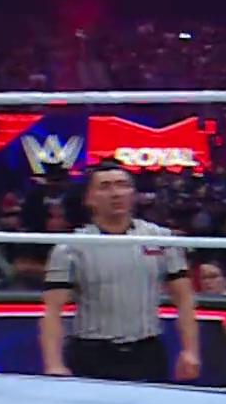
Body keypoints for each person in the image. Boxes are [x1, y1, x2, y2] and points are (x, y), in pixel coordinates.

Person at [41, 162, 201, 383]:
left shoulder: (161, 239)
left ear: (133, 194)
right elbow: (52, 310)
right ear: (89, 198)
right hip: (91, 353)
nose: (115, 193)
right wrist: (53, 364)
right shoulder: (70, 247)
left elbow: (184, 299)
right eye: (105, 186)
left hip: (147, 352)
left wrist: (190, 350)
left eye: (122, 185)